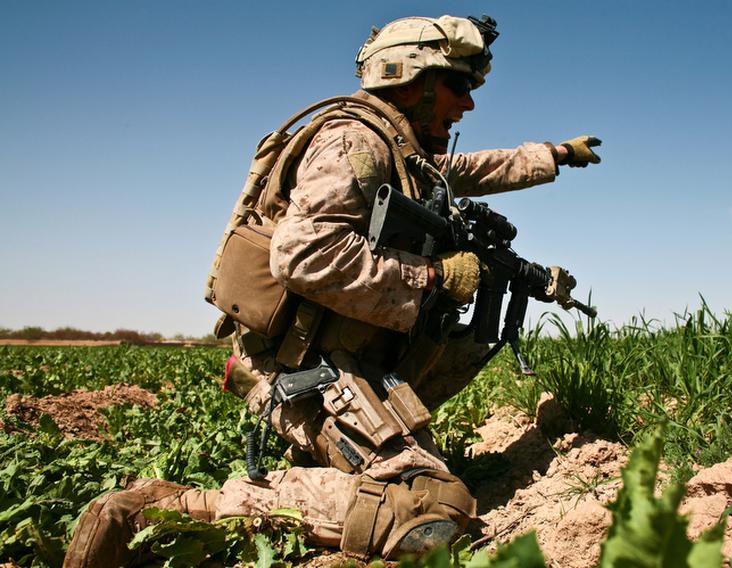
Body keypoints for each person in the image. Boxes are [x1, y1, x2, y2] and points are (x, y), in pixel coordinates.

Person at [63, 14, 601, 566]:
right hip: (309, 372)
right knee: (427, 508)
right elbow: (303, 257)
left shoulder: (399, 150)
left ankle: (328, 469)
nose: (467, 105)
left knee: (412, 477)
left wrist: (553, 155)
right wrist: (437, 276)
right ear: (410, 77)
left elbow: (466, 168)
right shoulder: (354, 142)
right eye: (458, 86)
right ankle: (158, 511)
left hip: (342, 363)